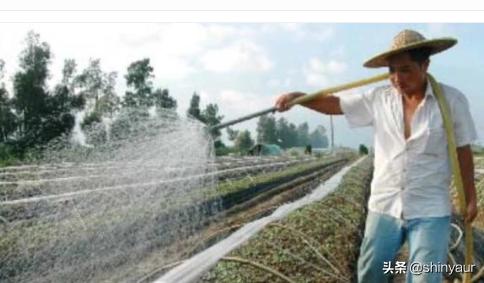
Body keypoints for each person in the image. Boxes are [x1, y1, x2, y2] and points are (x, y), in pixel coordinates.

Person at [275, 29, 478, 283]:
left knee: (424, 277)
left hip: (430, 207)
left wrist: (470, 198)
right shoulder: (378, 99)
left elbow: (462, 150)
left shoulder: (451, 101)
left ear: (425, 65)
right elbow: (335, 105)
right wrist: (299, 98)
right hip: (384, 204)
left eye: (405, 70)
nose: (397, 78)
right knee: (373, 273)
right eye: (392, 70)